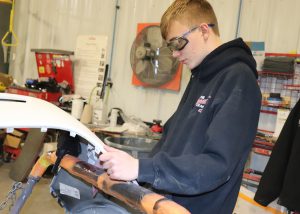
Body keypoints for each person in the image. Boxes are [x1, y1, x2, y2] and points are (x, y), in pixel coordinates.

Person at [100, 0, 262, 213]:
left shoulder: (238, 80)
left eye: (178, 43)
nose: (175, 54)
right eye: (171, 47)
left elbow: (216, 166)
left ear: (204, 30)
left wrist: (141, 169)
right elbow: (171, 145)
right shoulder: (200, 77)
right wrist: (132, 174)